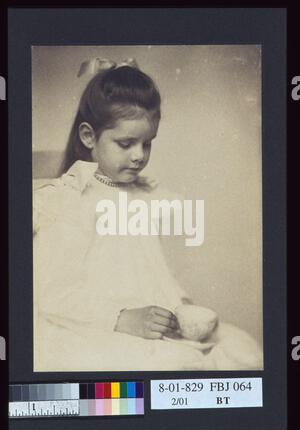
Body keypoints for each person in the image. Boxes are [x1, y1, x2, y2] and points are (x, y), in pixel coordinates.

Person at [33, 58, 262, 371]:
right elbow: (51, 291)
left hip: (146, 323)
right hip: (91, 324)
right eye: (126, 143)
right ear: (89, 137)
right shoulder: (70, 201)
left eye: (147, 143)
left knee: (238, 350)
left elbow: (153, 270)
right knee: (172, 367)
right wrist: (121, 317)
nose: (139, 156)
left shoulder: (140, 195)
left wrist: (179, 304)